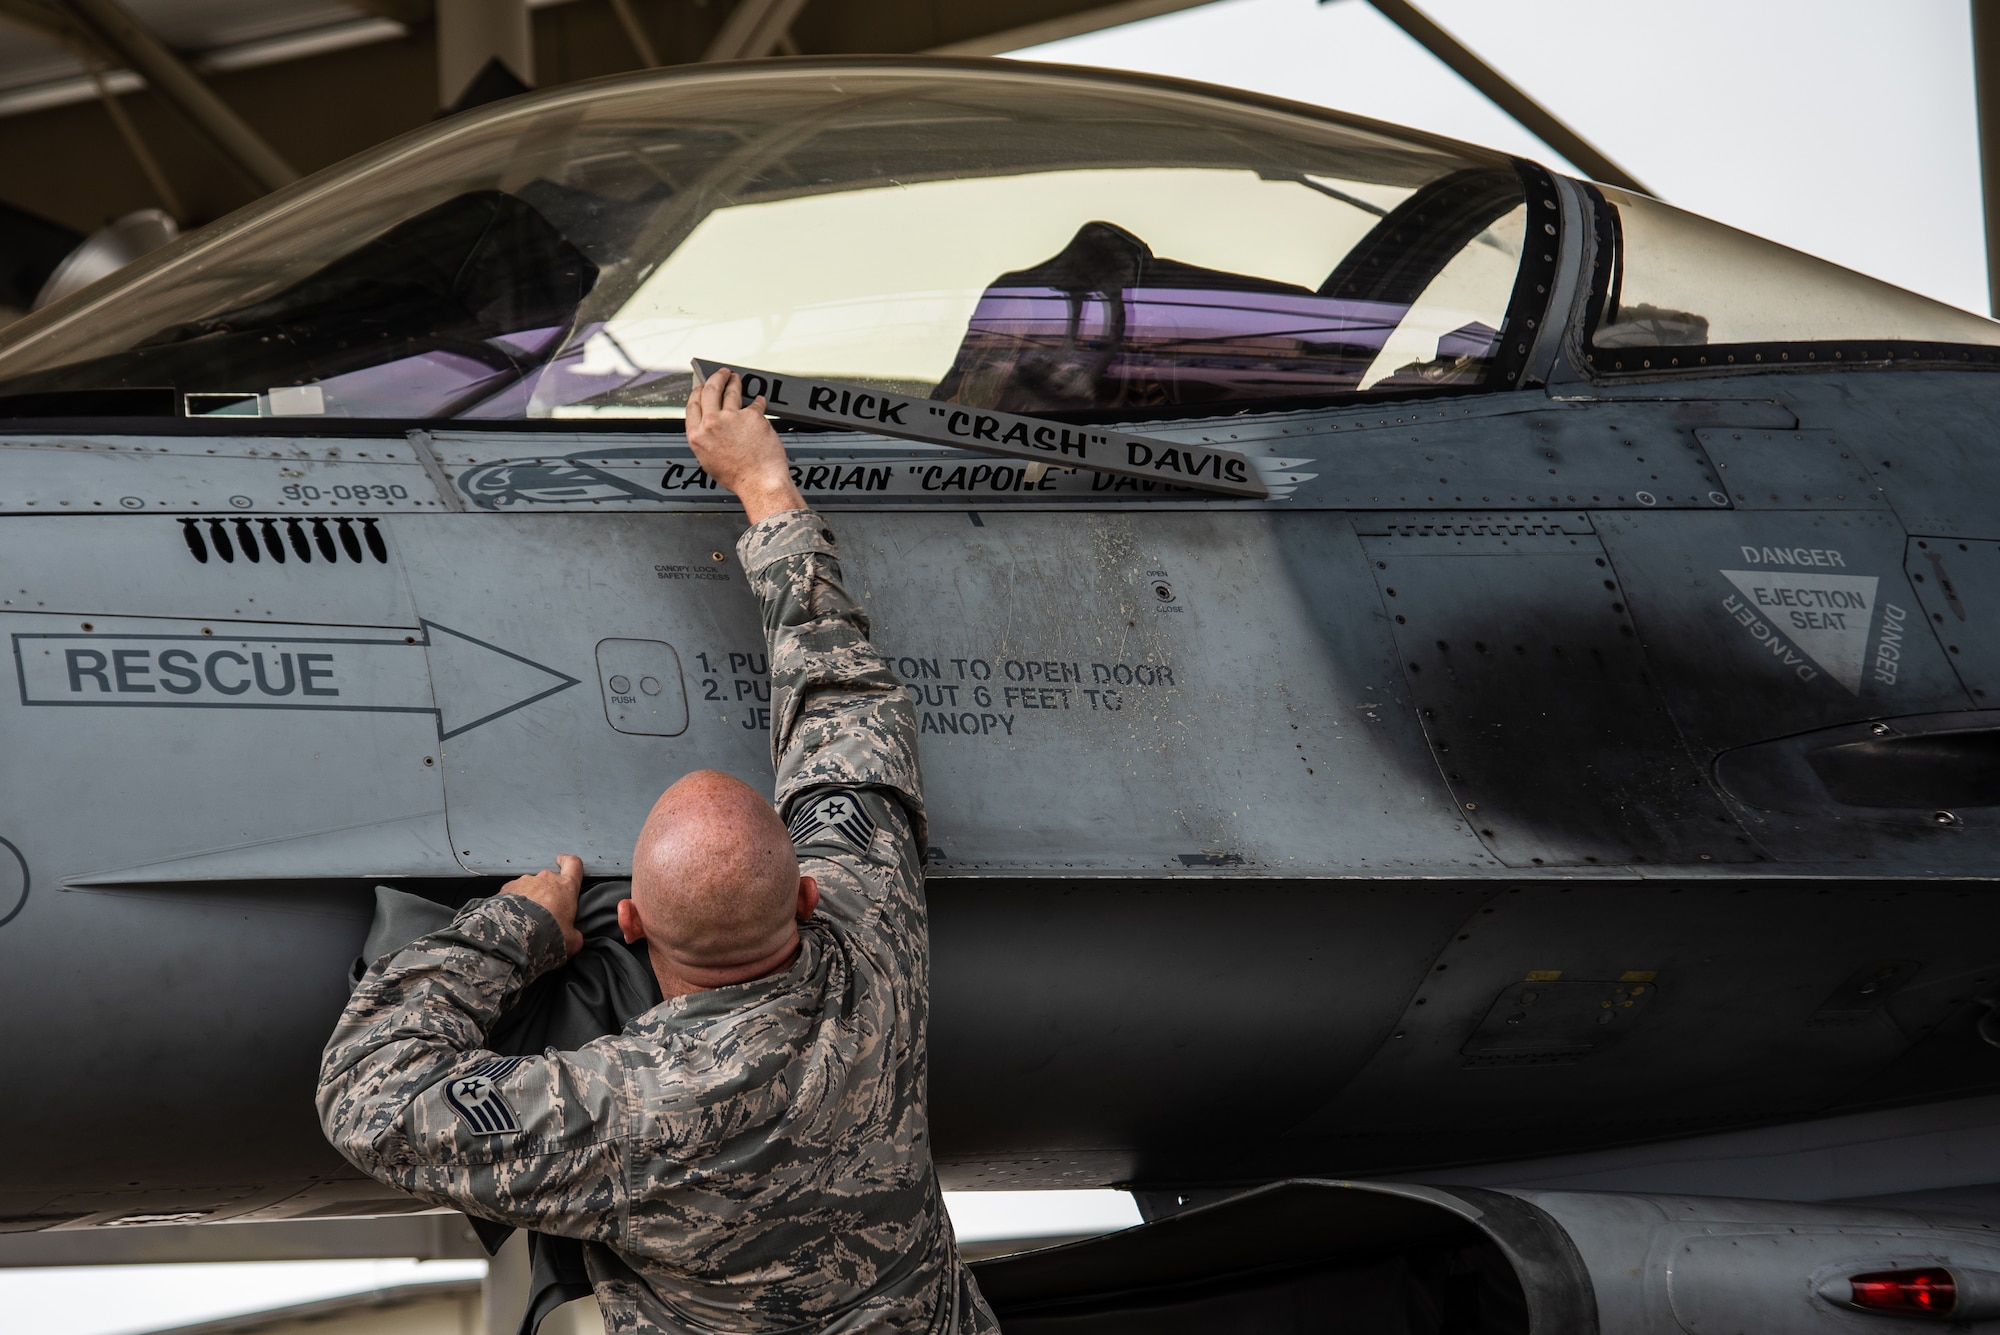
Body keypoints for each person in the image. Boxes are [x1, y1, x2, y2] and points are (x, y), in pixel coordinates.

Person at [317, 368, 997, 1334]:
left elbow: (367, 1095)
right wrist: (764, 487)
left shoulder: (623, 1108)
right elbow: (845, 708)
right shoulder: (874, 952)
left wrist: (512, 928)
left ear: (627, 924)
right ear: (808, 899)